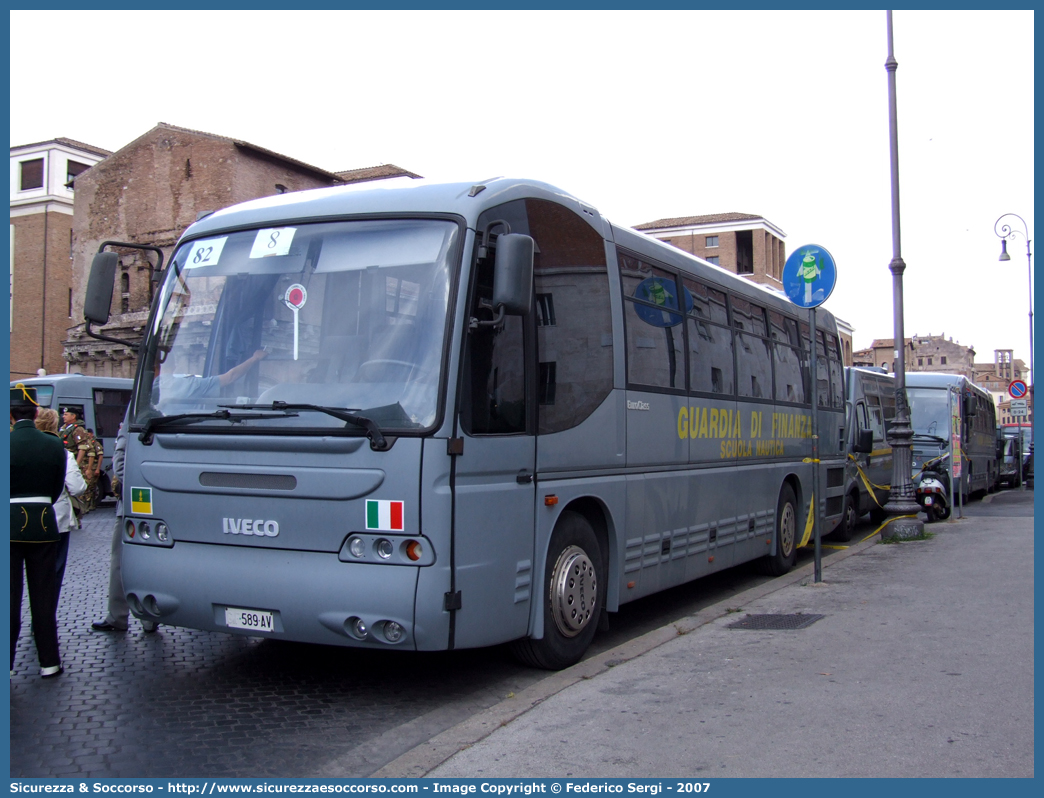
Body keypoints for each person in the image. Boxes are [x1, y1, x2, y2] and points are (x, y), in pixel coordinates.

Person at [10, 384, 68, 678]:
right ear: (35, 413)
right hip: (44, 522)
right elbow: (57, 489)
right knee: (43, 597)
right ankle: (49, 662)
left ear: (10, 416)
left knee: (8, 597)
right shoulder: (53, 443)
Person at [91, 418, 157, 634]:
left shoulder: (135, 411)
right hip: (159, 495)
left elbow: (120, 460)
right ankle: (149, 617)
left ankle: (118, 616)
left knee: (120, 560)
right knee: (150, 559)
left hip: (134, 499)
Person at [34, 409, 87, 603]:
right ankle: (46, 613)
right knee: (54, 567)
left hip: (23, 518)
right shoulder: (62, 452)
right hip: (56, 517)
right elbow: (77, 487)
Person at [158, 348, 268, 405]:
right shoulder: (189, 385)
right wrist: (254, 358)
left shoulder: (144, 389)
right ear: (174, 365)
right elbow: (230, 377)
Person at [60, 407, 93, 516]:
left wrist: (76, 465)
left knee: (76, 491)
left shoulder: (78, 429)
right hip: (65, 461)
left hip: (72, 462)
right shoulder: (64, 428)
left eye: (66, 414)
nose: (63, 416)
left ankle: (78, 514)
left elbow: (82, 449)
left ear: (73, 416)